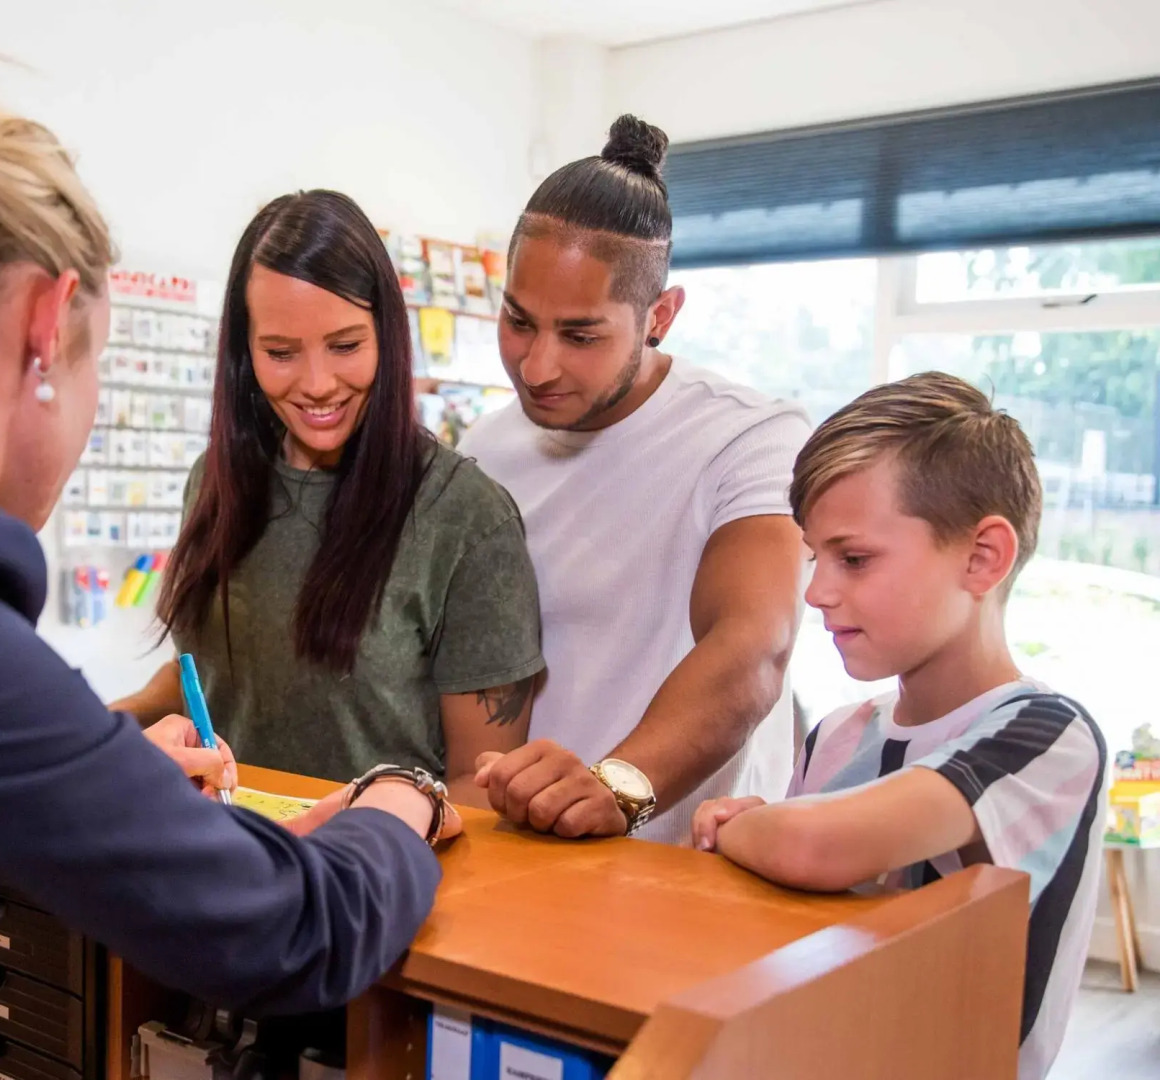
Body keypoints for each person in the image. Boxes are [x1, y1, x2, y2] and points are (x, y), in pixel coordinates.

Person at [0, 11, 459, 1076]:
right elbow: (296, 932)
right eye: (97, 361)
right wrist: (402, 799)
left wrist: (98, 778)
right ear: (43, 325)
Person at [691, 373, 1106, 1080]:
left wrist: (744, 827)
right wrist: (768, 829)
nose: (818, 592)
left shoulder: (1046, 732)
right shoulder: (837, 734)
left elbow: (815, 847)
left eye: (853, 558)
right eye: (814, 558)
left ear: (983, 558)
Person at [112, 191, 545, 807]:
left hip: (375, 880)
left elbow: (477, 785)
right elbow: (211, 679)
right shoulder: (216, 479)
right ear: (244, 352)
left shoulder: (466, 518)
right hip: (220, 862)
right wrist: (104, 729)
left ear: (387, 338)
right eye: (281, 353)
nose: (317, 385)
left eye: (345, 346)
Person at [460, 115, 809, 843]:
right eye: (518, 321)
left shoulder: (748, 438)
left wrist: (615, 787)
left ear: (661, 316)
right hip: (513, 853)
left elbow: (752, 644)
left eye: (581, 335)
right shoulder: (481, 451)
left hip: (675, 869)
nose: (536, 365)